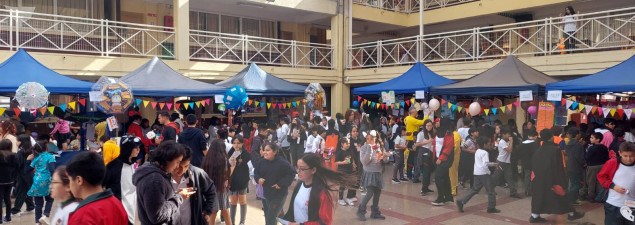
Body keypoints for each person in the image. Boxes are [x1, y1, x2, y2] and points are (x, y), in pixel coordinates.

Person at [529, 129, 584, 223]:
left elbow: (534, 164)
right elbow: (558, 167)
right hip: (553, 178)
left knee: (539, 197)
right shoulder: (555, 150)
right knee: (562, 196)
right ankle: (571, 214)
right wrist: (563, 181)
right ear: (551, 137)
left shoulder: (538, 149)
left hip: (538, 178)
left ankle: (534, 216)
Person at [282, 153, 355, 225]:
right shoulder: (299, 185)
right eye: (297, 167)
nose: (298, 171)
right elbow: (292, 211)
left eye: (302, 169)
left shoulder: (323, 193)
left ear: (313, 170)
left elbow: (325, 222)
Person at [133, 141, 190, 225]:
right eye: (177, 162)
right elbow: (157, 215)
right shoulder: (154, 180)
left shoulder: (155, 173)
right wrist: (179, 197)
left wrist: (175, 194)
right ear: (167, 159)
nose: (177, 166)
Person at [66, 152, 128, 225]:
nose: (69, 187)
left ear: (79, 180)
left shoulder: (82, 217)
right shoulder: (117, 204)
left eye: (69, 180)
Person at [170, 145, 217, 225]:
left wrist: (207, 211)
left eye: (186, 166)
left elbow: (211, 191)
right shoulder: (163, 178)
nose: (182, 170)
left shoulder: (198, 174)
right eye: (179, 166)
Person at [103, 135, 141, 225]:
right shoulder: (113, 166)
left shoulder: (133, 164)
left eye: (138, 147)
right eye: (135, 147)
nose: (138, 150)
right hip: (119, 208)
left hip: (132, 206)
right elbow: (103, 184)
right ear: (127, 148)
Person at [254, 142, 295, 225]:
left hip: (279, 194)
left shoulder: (282, 163)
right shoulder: (261, 162)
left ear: (275, 152)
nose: (265, 152)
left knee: (271, 217)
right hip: (267, 193)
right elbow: (256, 173)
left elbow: (292, 173)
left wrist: (281, 183)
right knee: (278, 214)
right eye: (264, 150)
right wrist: (258, 179)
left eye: (268, 150)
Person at [456, 136, 500, 213]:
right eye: (488, 144)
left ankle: (462, 201)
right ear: (484, 144)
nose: (489, 145)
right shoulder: (485, 153)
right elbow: (485, 164)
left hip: (476, 173)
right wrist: (493, 164)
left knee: (474, 190)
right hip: (484, 174)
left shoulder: (477, 151)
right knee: (491, 191)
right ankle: (491, 207)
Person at [597, 142, 635, 225]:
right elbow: (601, 176)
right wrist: (613, 186)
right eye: (625, 156)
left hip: (632, 206)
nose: (628, 159)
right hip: (613, 204)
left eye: (632, 156)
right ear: (620, 153)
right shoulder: (612, 163)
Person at [357, 130, 390, 221]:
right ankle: (361, 211)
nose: (370, 141)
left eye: (372, 139)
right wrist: (370, 149)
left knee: (377, 193)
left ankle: (375, 212)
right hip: (369, 173)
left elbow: (384, 161)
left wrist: (385, 157)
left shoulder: (379, 147)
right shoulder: (364, 148)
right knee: (369, 193)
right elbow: (364, 161)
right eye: (367, 139)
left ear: (375, 139)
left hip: (378, 172)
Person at [201, 139, 232, 225]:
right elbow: (226, 174)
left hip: (209, 188)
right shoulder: (224, 159)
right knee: (225, 211)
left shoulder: (206, 159)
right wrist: (233, 166)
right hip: (221, 187)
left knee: (213, 211)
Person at [27, 140, 55, 225]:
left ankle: (37, 221)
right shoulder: (50, 157)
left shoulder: (36, 159)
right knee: (50, 199)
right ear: (46, 147)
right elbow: (52, 170)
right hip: (47, 181)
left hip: (37, 181)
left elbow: (26, 170)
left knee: (38, 203)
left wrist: (28, 160)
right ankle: (45, 215)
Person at [491, 127, 522, 198]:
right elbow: (509, 150)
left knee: (510, 177)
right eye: (508, 134)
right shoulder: (502, 142)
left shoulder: (507, 141)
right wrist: (511, 141)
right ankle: (490, 189)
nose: (509, 136)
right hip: (501, 162)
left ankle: (513, 192)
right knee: (496, 177)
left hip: (507, 162)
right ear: (504, 134)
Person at [228, 135, 251, 225]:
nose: (236, 145)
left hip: (243, 180)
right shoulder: (230, 153)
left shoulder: (246, 154)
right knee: (233, 202)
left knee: (242, 201)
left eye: (238, 143)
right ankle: (232, 222)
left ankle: (242, 222)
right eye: (234, 143)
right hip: (233, 180)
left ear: (242, 143)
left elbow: (250, 166)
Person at [432, 119, 455, 206]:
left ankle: (441, 198)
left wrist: (441, 158)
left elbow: (448, 147)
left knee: (438, 178)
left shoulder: (449, 133)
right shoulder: (439, 132)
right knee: (445, 178)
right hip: (438, 158)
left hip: (445, 159)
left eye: (439, 122)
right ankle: (449, 198)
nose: (437, 123)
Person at [11, 134, 35, 216]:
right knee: (26, 191)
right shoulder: (29, 151)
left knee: (20, 192)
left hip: (22, 175)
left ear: (22, 142)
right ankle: (30, 206)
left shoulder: (21, 152)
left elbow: (18, 164)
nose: (16, 142)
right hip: (28, 174)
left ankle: (16, 210)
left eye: (18, 140)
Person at [585, 132, 610, 201]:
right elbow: (607, 157)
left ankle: (591, 196)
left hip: (592, 166)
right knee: (600, 182)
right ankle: (600, 197)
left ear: (598, 139)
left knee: (591, 182)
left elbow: (587, 157)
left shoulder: (591, 148)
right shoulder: (604, 147)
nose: (590, 139)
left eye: (592, 138)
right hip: (602, 166)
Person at [565, 127, 585, 205]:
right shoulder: (578, 145)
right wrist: (584, 163)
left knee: (573, 183)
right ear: (577, 135)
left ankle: (573, 200)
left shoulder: (569, 143)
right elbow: (579, 157)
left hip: (570, 165)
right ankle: (570, 199)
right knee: (577, 184)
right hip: (576, 167)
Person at [335, 137, 357, 206]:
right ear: (342, 144)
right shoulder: (339, 152)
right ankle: (340, 199)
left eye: (349, 143)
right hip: (342, 171)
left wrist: (353, 164)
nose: (348, 145)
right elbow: (336, 162)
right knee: (342, 185)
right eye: (346, 143)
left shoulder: (348, 151)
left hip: (349, 170)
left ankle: (349, 197)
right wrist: (343, 162)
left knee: (351, 184)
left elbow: (351, 158)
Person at [517, 129, 539, 196]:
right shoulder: (535, 144)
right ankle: (532, 190)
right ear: (535, 136)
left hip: (525, 162)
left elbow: (519, 152)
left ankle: (527, 190)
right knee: (534, 177)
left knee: (527, 176)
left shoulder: (522, 143)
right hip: (534, 163)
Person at [416, 120, 435, 195]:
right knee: (426, 172)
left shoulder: (430, 134)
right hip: (423, 154)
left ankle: (426, 187)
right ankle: (423, 189)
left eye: (430, 126)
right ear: (425, 126)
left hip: (429, 153)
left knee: (430, 171)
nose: (429, 127)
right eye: (428, 126)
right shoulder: (421, 134)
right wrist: (427, 142)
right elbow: (417, 144)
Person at [0, 139, 16, 223]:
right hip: (9, 180)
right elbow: (16, 167)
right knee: (7, 199)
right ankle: (8, 217)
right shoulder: (13, 155)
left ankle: (0, 219)